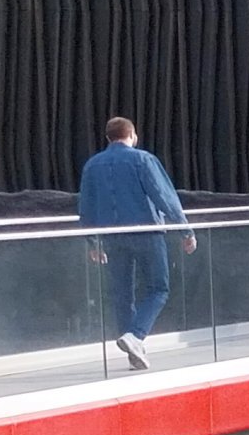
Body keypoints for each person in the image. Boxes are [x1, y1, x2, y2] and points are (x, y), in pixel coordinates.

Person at [77, 117, 196, 371]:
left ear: (108, 138)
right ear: (133, 135)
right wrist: (185, 229)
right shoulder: (142, 159)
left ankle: (134, 352)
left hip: (112, 237)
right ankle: (136, 336)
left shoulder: (92, 165)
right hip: (147, 234)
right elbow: (163, 195)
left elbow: (86, 206)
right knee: (158, 288)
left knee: (122, 294)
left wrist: (92, 241)